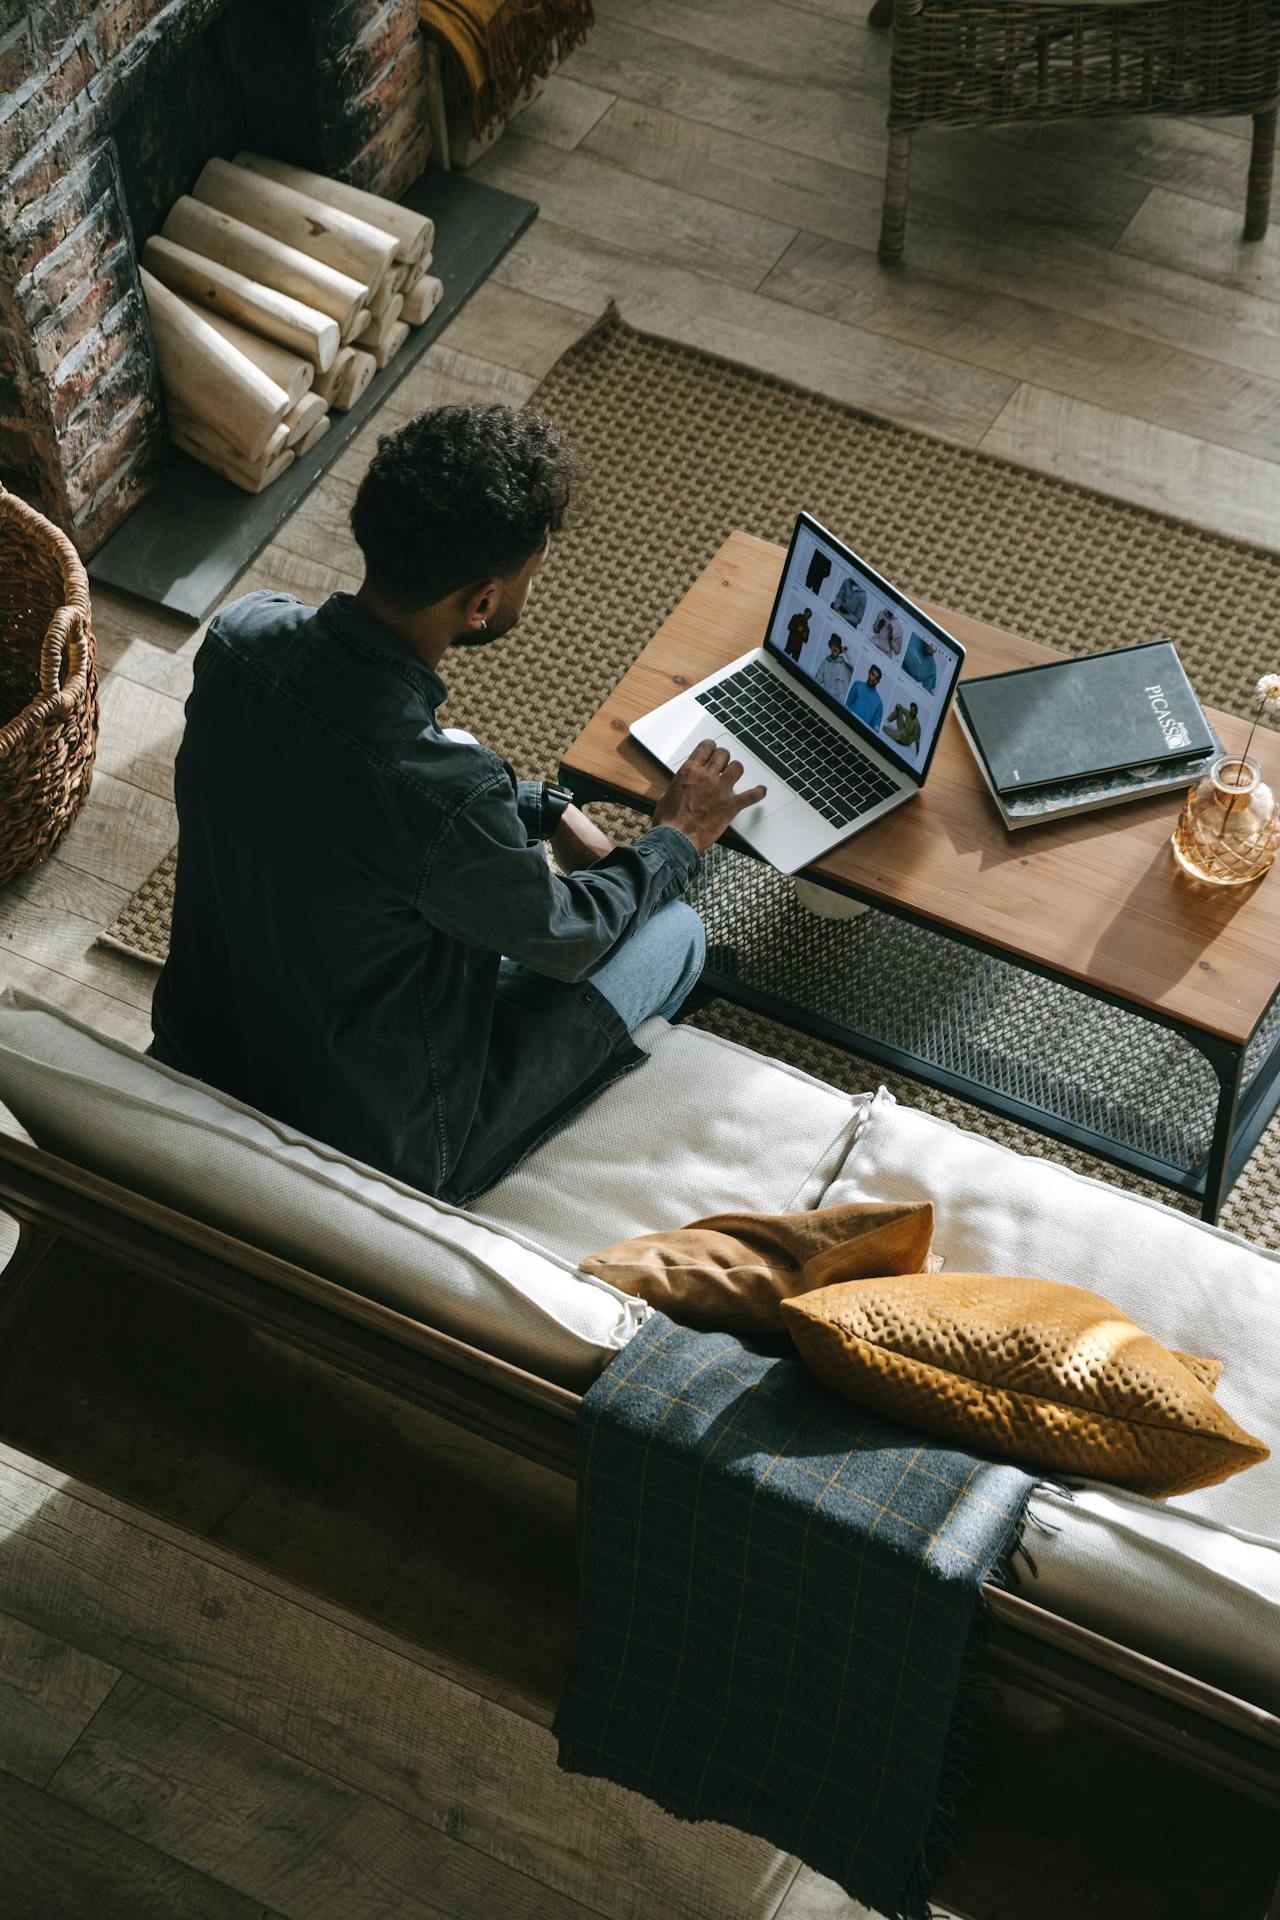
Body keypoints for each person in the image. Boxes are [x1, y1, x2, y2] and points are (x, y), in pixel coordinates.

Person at [150, 404, 764, 1205]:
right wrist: (676, 838)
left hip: (209, 1045)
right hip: (391, 1136)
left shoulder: (241, 639)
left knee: (466, 785)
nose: (528, 594)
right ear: (481, 602)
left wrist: (543, 807)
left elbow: (371, 780)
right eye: (531, 577)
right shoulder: (449, 796)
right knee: (678, 930)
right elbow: (569, 940)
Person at [814, 634, 854, 701]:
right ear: (830, 646)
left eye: (837, 646)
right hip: (826, 700)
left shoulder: (845, 665)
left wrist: (847, 653)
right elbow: (817, 679)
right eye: (833, 645)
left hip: (840, 704)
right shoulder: (825, 662)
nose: (835, 648)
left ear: (840, 649)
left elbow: (855, 668)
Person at [846, 662, 884, 730]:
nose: (873, 679)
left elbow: (875, 728)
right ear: (869, 672)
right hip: (846, 722)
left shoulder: (879, 704)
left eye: (876, 678)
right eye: (872, 674)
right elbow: (846, 705)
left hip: (861, 733)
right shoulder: (857, 685)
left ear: (878, 682)